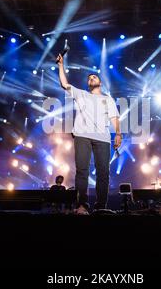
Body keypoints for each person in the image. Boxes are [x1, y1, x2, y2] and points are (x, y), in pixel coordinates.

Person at [56, 54, 121, 215]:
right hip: (82, 135)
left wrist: (118, 134)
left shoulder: (108, 99)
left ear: (100, 82)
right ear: (88, 83)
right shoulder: (81, 94)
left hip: (103, 137)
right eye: (89, 78)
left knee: (103, 172)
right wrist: (60, 65)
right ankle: (82, 205)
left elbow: (114, 117)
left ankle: (100, 206)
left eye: (94, 77)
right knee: (82, 171)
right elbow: (64, 83)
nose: (92, 78)